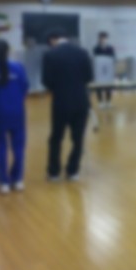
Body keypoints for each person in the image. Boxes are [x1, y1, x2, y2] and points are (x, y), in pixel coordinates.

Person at [42, 30, 93, 182]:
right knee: (78, 138)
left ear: (53, 39)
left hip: (61, 102)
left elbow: (46, 81)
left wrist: (58, 88)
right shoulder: (83, 52)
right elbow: (89, 77)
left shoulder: (50, 55)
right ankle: (73, 171)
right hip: (81, 101)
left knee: (56, 137)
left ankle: (54, 172)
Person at [0, 40, 29, 194]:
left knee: (0, 147)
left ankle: (4, 182)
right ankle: (18, 180)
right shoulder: (19, 67)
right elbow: (25, 87)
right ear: (9, 51)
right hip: (17, 112)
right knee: (19, 147)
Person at [93, 31, 116, 109]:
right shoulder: (96, 48)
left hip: (108, 69)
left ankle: (108, 102)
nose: (103, 39)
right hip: (99, 69)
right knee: (99, 86)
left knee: (108, 86)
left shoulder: (110, 48)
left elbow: (113, 58)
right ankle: (100, 102)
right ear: (99, 39)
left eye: (104, 38)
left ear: (107, 38)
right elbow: (95, 58)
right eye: (101, 38)